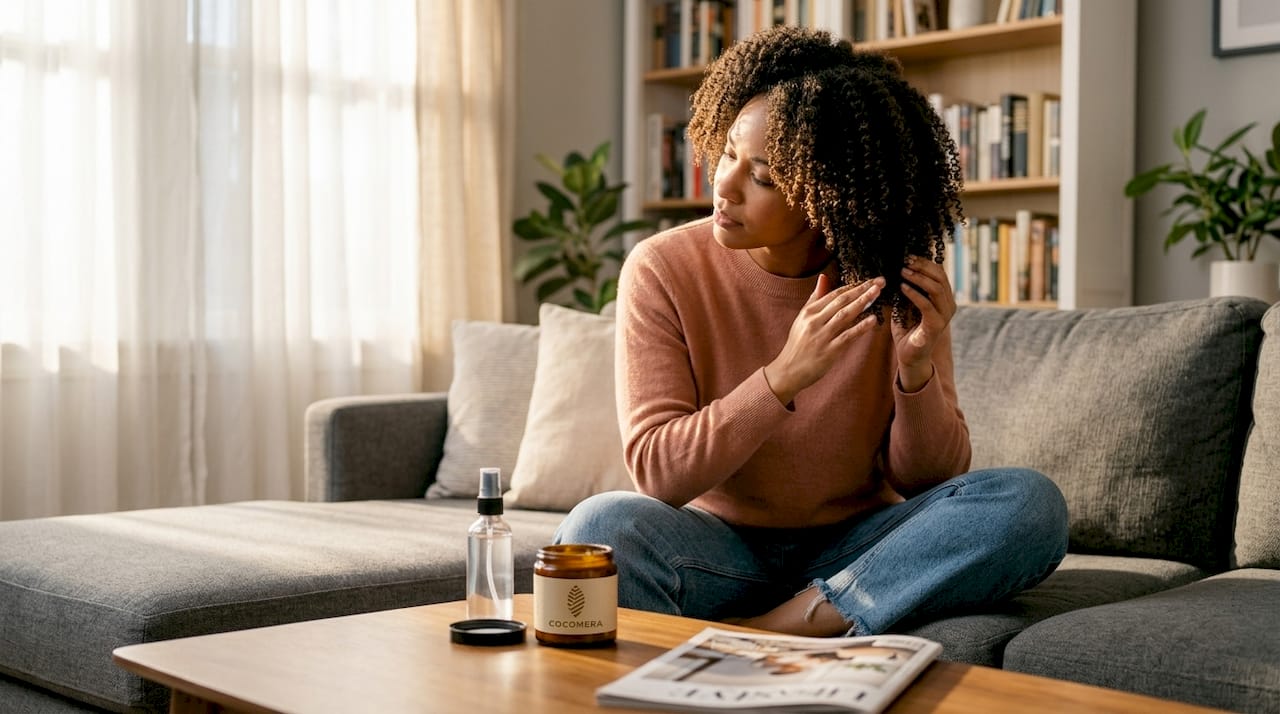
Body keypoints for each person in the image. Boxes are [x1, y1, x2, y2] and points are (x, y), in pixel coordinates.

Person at [554, 25, 1068, 638]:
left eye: (764, 177)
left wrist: (915, 370)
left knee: (1029, 505)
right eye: (727, 154)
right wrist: (783, 377)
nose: (724, 185)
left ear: (827, 193)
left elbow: (932, 481)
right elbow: (659, 473)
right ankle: (822, 621)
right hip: (715, 551)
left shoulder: (888, 279)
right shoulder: (663, 268)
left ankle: (773, 631)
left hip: (860, 548)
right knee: (598, 528)